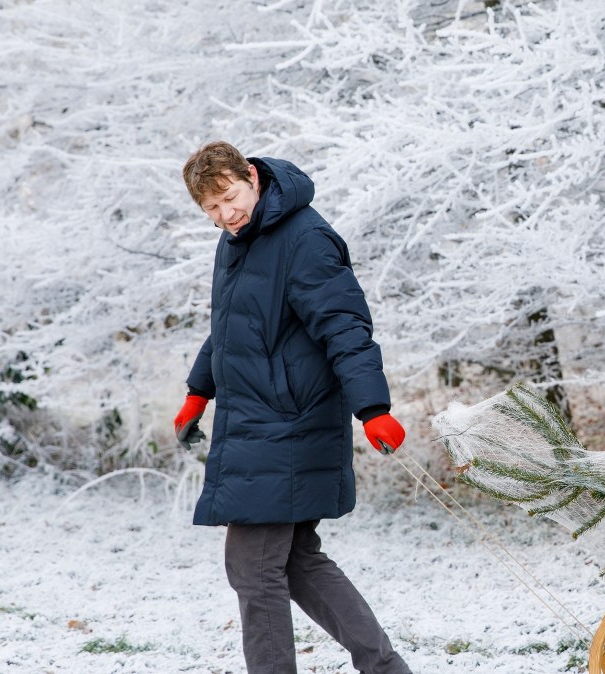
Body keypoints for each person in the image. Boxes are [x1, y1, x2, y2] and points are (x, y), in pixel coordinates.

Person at [171, 140, 414, 674]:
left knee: (253, 569)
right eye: (211, 210)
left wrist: (372, 407)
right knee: (297, 561)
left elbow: (344, 327)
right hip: (256, 422)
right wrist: (198, 391)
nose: (225, 214)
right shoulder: (238, 239)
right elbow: (232, 327)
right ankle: (387, 668)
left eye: (230, 198)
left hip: (289, 421)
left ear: (252, 177)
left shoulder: (304, 239)